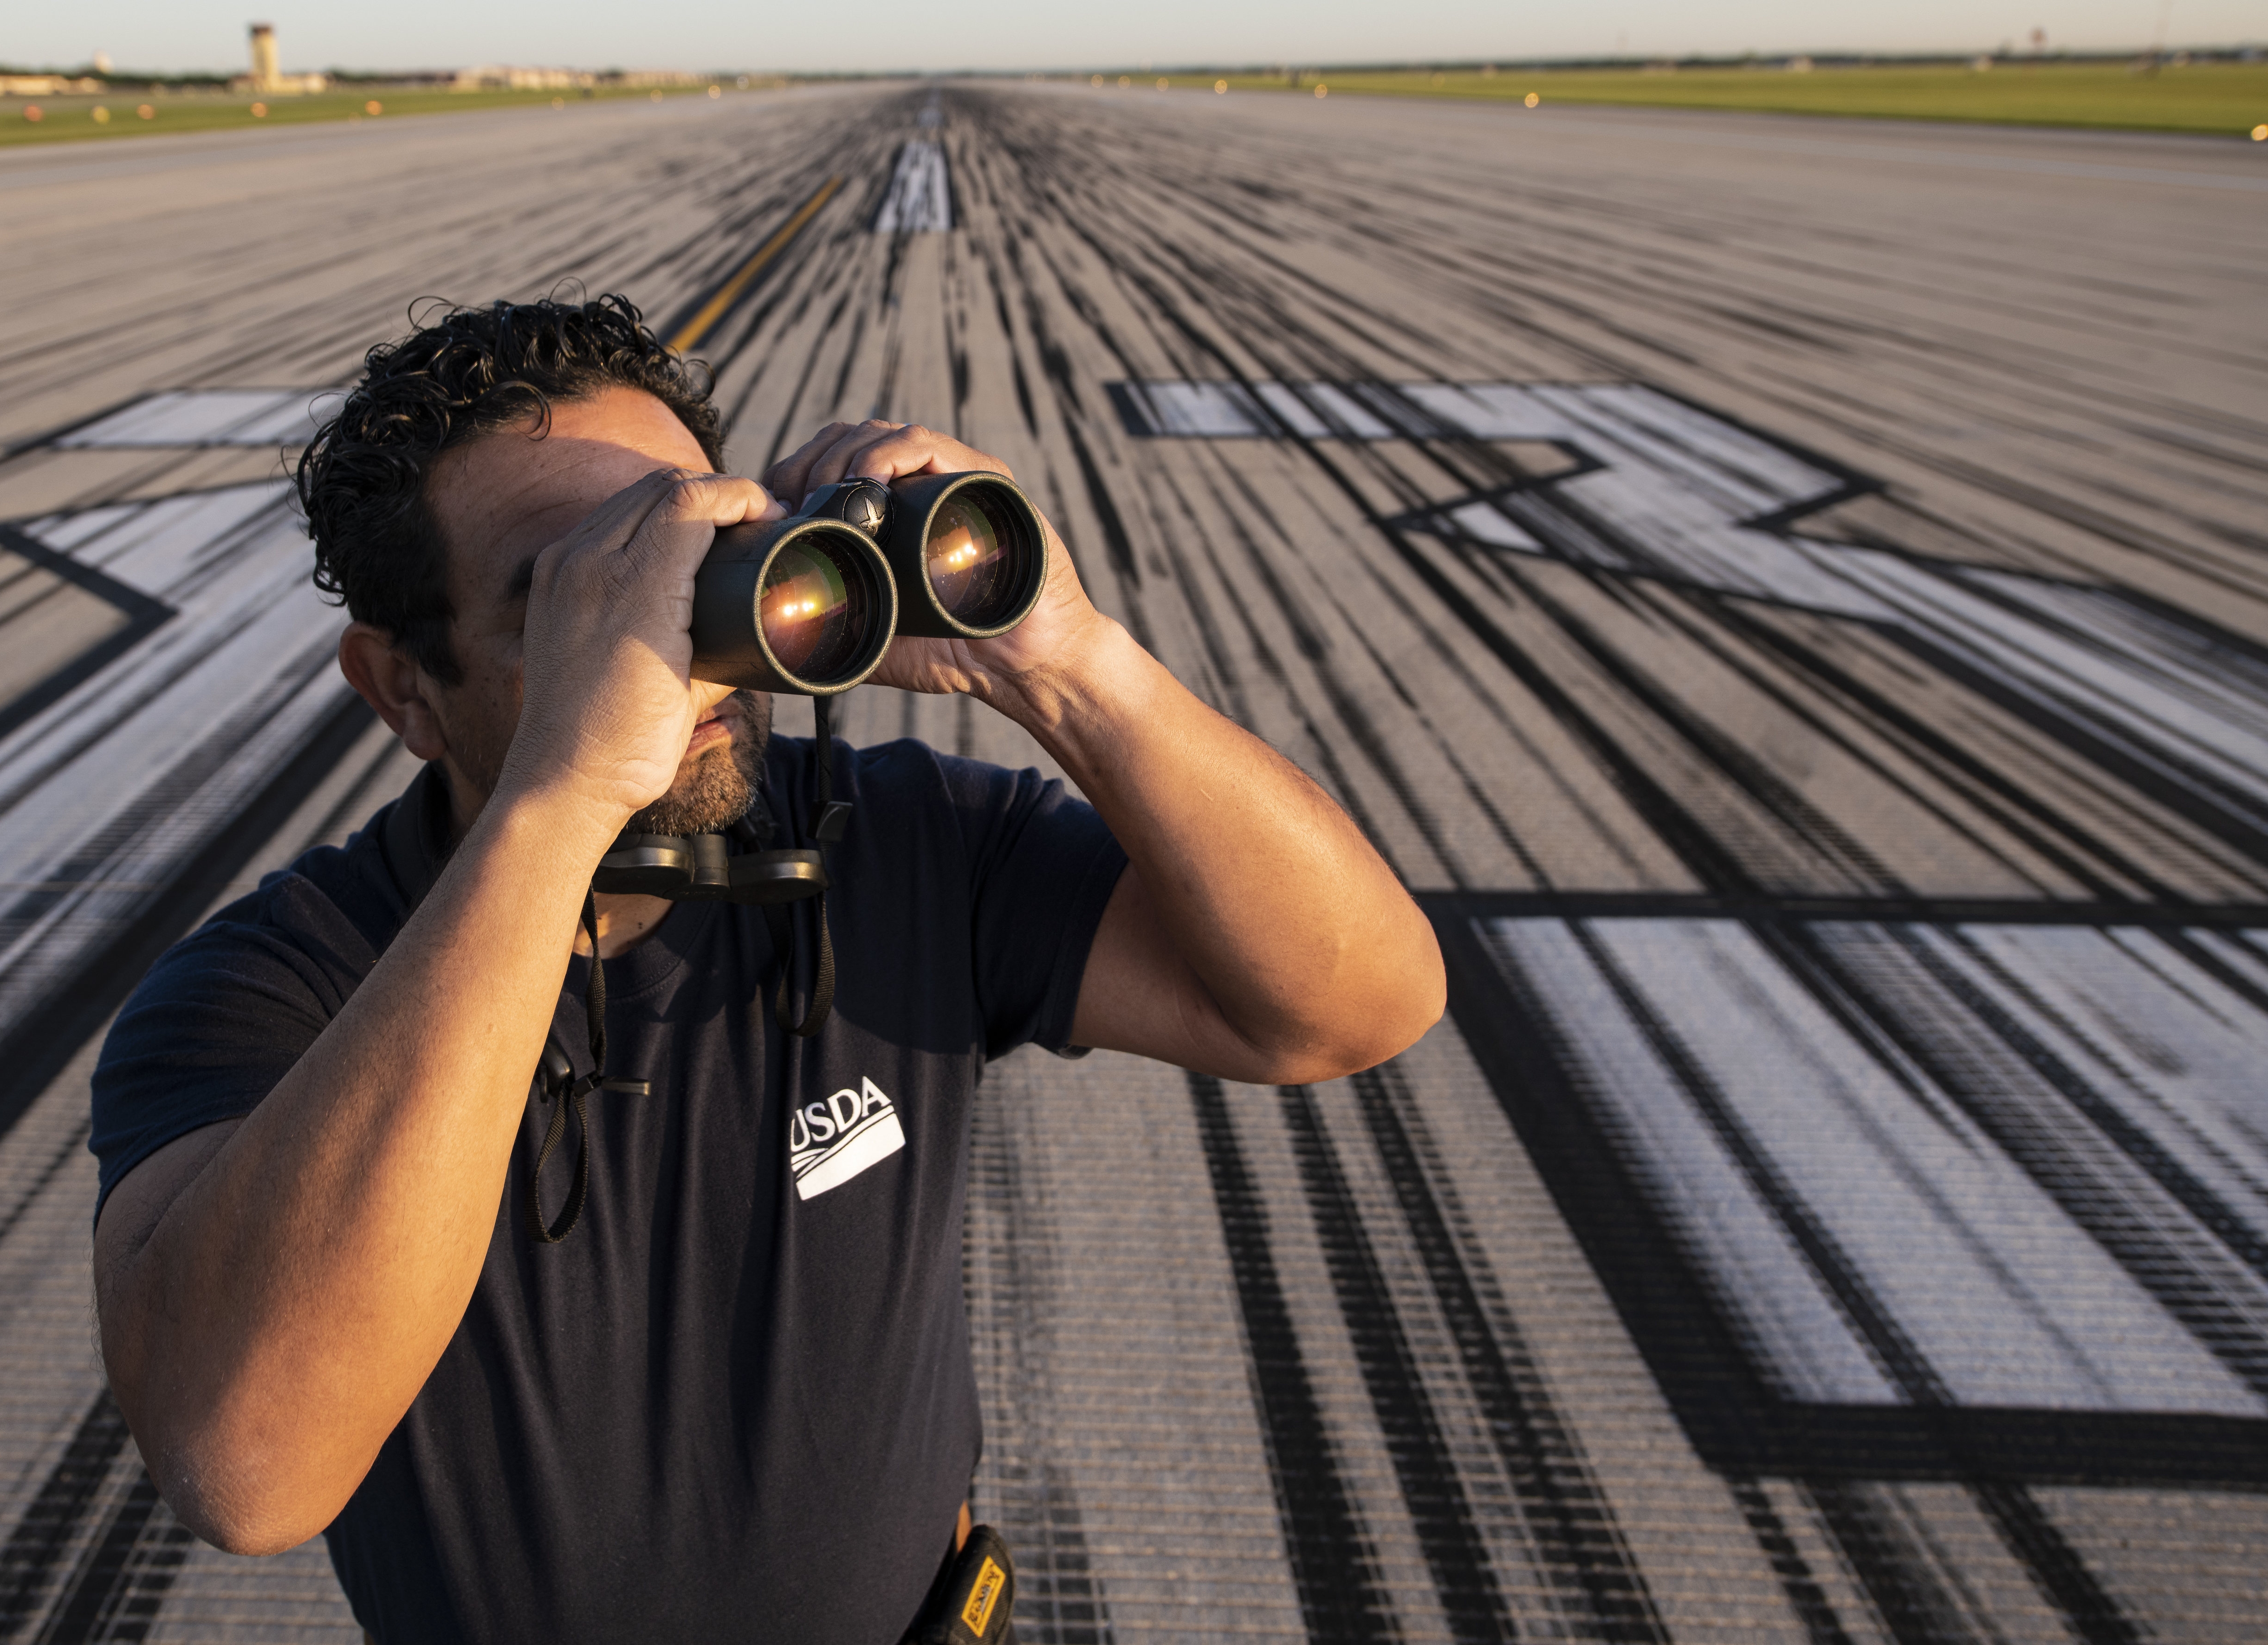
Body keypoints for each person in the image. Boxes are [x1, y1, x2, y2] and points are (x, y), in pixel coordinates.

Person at [89, 294, 1443, 1643]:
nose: (668, 641)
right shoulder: (272, 994)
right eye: (573, 596)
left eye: (695, 557)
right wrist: (566, 798)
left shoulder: (896, 844)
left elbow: (1354, 1005)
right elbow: (249, 1472)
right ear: (400, 689)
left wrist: (1064, 664)